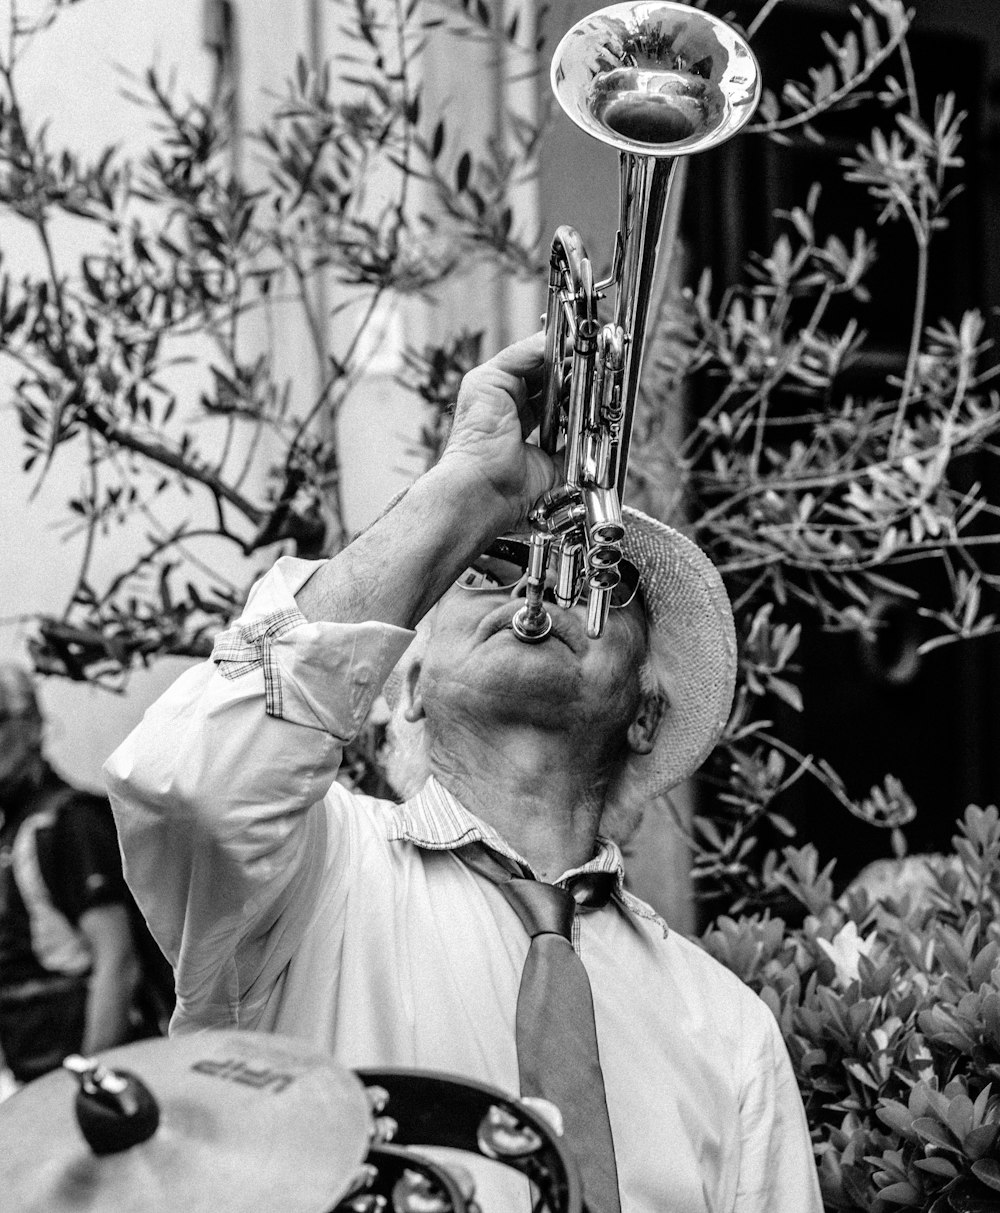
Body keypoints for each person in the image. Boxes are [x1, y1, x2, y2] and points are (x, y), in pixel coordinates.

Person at [105, 331, 823, 1212]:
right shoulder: (311, 874)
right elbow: (187, 785)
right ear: (403, 683)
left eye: (584, 574)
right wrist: (467, 491)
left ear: (645, 710)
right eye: (487, 563)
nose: (529, 586)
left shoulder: (728, 1029)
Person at [0, 664, 167, 1089]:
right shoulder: (15, 830)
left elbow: (118, 962)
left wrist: (86, 1086)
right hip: (30, 1081)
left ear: (33, 727)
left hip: (87, 1085)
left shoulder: (69, 822)